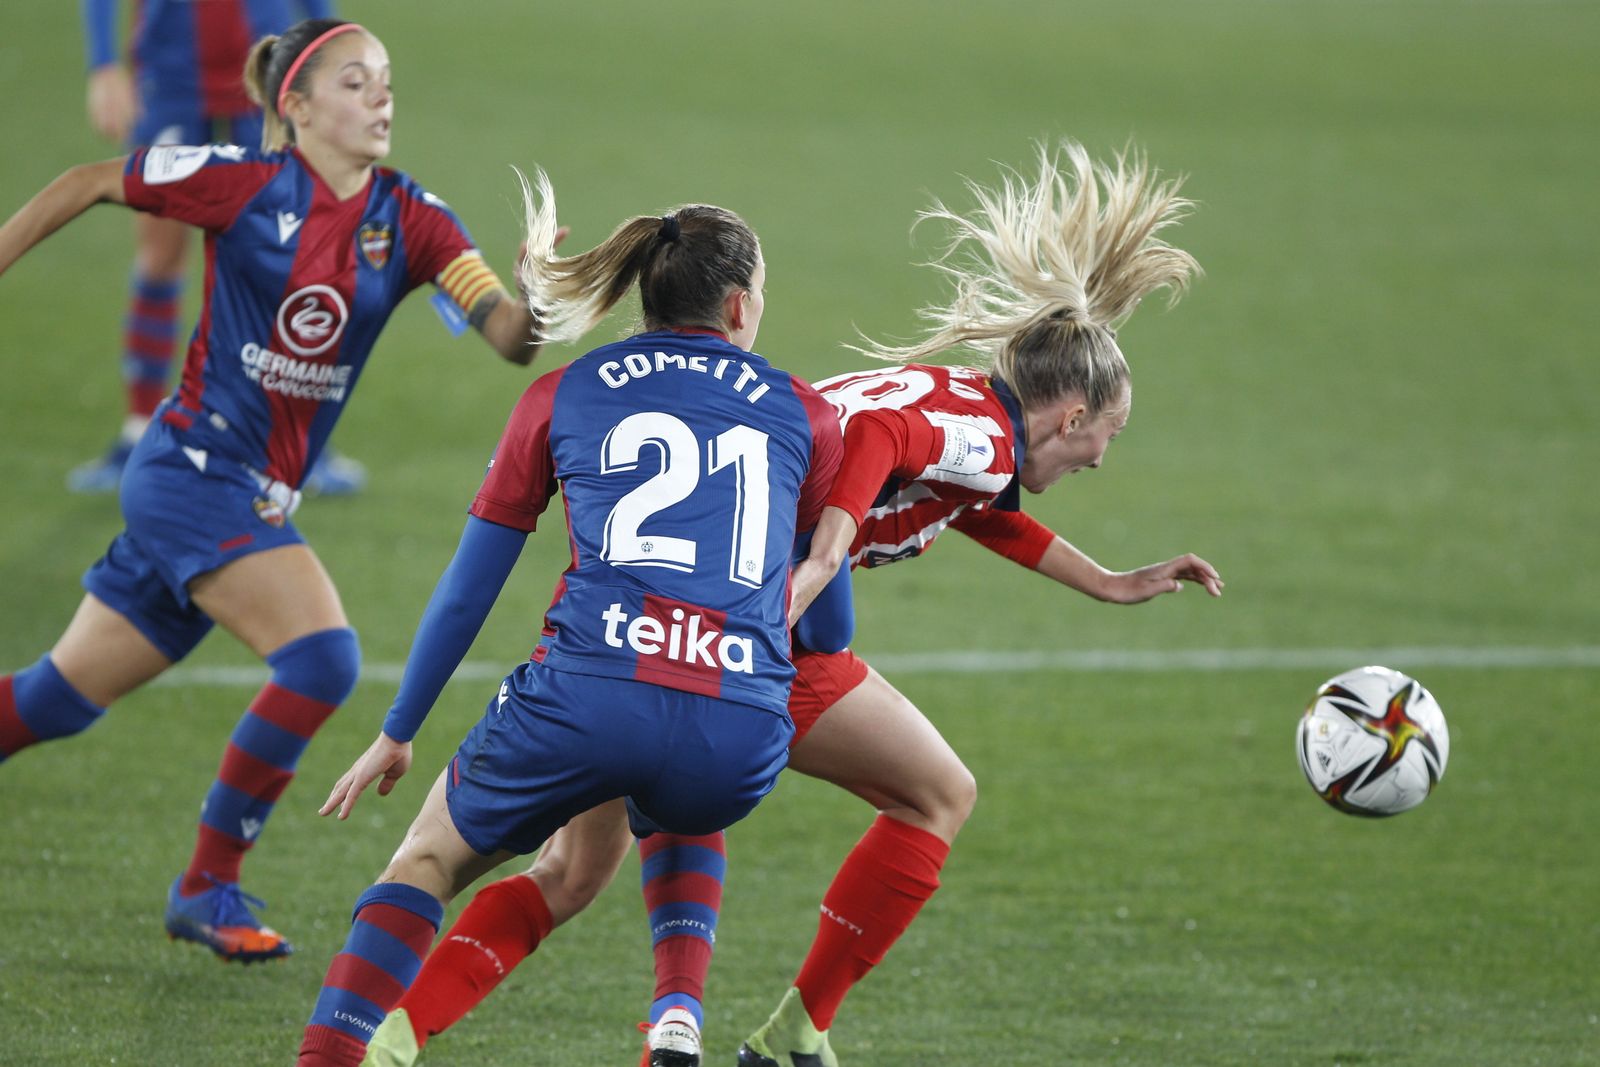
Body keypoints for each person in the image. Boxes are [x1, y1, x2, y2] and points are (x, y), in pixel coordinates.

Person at [357, 140, 1224, 1067]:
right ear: (1071, 417)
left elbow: (968, 500)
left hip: (660, 607)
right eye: (1109, 435)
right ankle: (790, 1030)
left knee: (572, 869)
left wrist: (1107, 580)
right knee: (937, 794)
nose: (1103, 457)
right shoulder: (977, 434)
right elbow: (880, 439)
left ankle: (398, 1035)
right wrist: (832, 547)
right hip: (754, 631)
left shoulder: (973, 416)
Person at [0, 19, 545, 963]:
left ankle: (204, 883)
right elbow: (92, 181)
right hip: (190, 473)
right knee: (325, 659)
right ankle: (208, 884)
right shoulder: (243, 183)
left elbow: (505, 335)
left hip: (244, 494)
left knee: (55, 699)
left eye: (385, 80)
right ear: (293, 108)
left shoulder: (413, 219)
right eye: (353, 82)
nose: (380, 97)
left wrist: (535, 298)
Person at [293, 167, 844, 1067]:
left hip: (591, 696)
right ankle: (676, 1014)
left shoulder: (565, 393)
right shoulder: (808, 414)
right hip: (741, 732)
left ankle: (335, 1058)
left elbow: (470, 587)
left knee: (428, 858)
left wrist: (398, 731)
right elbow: (821, 618)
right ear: (741, 308)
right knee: (675, 773)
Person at [74, 0, 369, 496]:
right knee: (161, 251)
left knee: (281, 257)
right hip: (171, 78)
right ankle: (139, 432)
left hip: (267, 74)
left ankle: (289, 443)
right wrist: (104, 63)